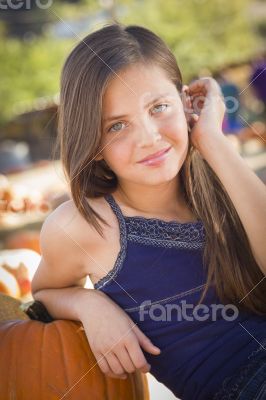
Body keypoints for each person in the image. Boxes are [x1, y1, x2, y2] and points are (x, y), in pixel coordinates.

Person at [31, 23, 266, 400]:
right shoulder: (83, 226)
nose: (149, 137)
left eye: (159, 107)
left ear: (186, 102)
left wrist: (213, 141)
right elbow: (44, 290)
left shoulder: (226, 180)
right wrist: (88, 303)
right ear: (92, 143)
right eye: (117, 126)